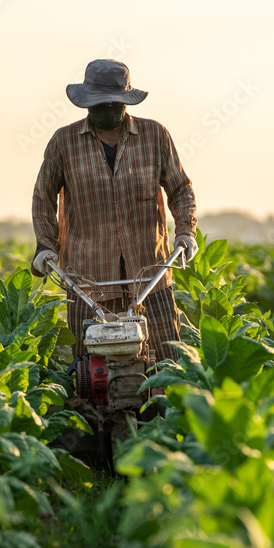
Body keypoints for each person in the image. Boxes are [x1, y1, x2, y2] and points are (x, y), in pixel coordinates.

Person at [30, 58, 197, 363]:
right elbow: (43, 197)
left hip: (149, 271)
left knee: (168, 359)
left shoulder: (155, 135)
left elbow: (180, 188)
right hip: (88, 278)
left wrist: (186, 231)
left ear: (125, 102)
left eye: (112, 104)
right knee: (88, 364)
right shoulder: (64, 142)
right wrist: (45, 245)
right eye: (98, 104)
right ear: (86, 104)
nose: (106, 110)